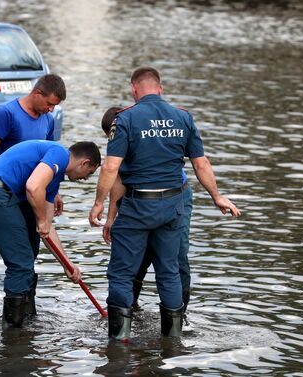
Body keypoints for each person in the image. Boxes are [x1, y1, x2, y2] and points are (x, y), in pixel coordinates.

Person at [89, 67, 241, 340]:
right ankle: (173, 342)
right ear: (160, 88)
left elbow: (111, 168)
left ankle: (120, 343)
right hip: (172, 205)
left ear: (134, 90)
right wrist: (217, 196)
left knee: (122, 273)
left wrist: (99, 203)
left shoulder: (125, 119)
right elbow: (201, 163)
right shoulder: (183, 117)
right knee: (169, 271)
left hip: (137, 206)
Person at [0, 139, 101, 327]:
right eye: (90, 173)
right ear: (84, 163)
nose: (86, 178)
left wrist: (67, 264)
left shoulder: (54, 178)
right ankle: (14, 335)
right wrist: (40, 219)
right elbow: (33, 186)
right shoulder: (60, 154)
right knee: (21, 262)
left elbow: (47, 228)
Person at [0, 74, 66, 314]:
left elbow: (48, 158)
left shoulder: (46, 120)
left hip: (30, 196)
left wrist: (55, 192)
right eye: (49, 103)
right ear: (37, 93)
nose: (51, 110)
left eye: (54, 106)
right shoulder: (5, 113)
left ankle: (25, 309)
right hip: (1, 195)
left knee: (29, 249)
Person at [100, 107, 193, 313]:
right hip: (140, 196)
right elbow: (118, 177)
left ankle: (180, 311)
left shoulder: (137, 130)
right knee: (135, 254)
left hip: (176, 195)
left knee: (176, 257)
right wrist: (110, 218)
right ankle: (130, 306)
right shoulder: (125, 135)